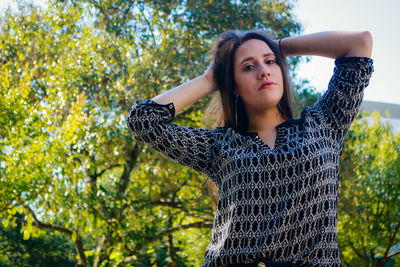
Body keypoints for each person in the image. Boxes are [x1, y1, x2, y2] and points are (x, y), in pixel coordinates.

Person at [126, 30, 373, 267]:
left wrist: (280, 47)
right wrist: (210, 79)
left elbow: (359, 43)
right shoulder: (219, 146)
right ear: (233, 85)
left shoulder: (324, 123)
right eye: (248, 67)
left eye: (270, 62)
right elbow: (143, 121)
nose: (264, 72)